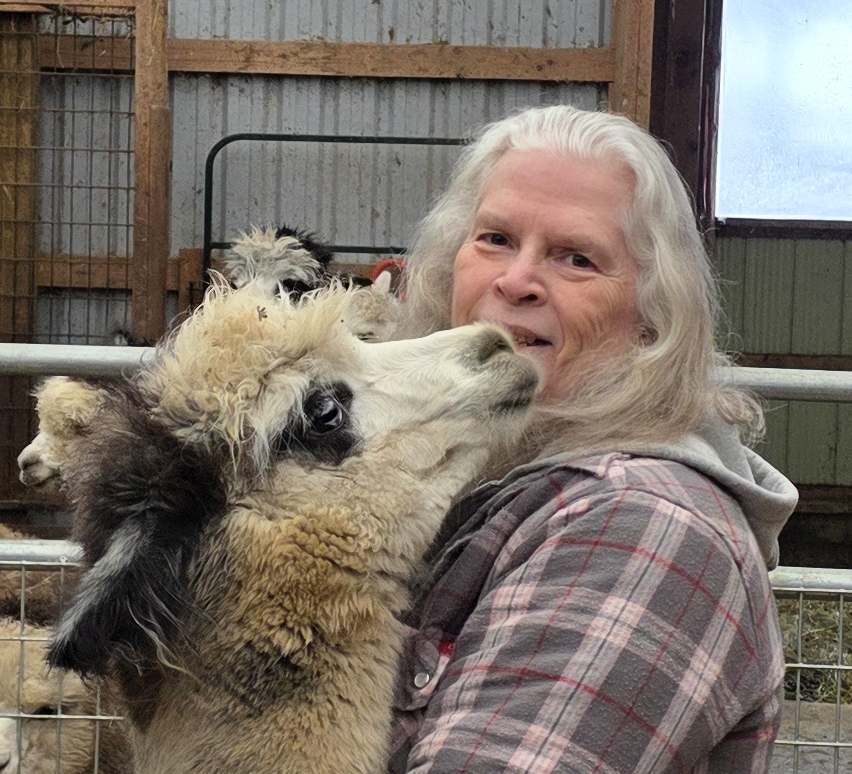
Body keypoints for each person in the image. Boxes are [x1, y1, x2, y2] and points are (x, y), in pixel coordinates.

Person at [387, 106, 798, 773]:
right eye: (493, 238)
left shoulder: (642, 526)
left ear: (651, 318)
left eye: (575, 258)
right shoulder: (454, 475)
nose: (515, 281)